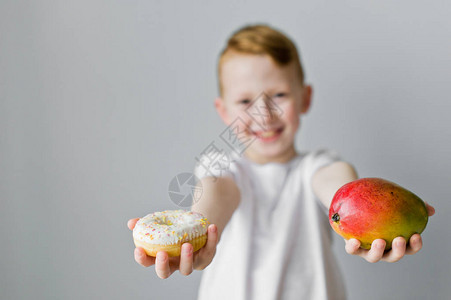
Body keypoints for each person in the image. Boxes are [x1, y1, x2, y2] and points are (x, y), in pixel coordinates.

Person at [127, 24, 435, 299]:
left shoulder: (318, 166)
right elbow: (214, 194)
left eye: (279, 95)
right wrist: (197, 237)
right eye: (246, 101)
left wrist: (371, 218)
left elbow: (339, 185)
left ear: (305, 98)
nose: (265, 113)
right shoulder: (221, 168)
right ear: (223, 110)